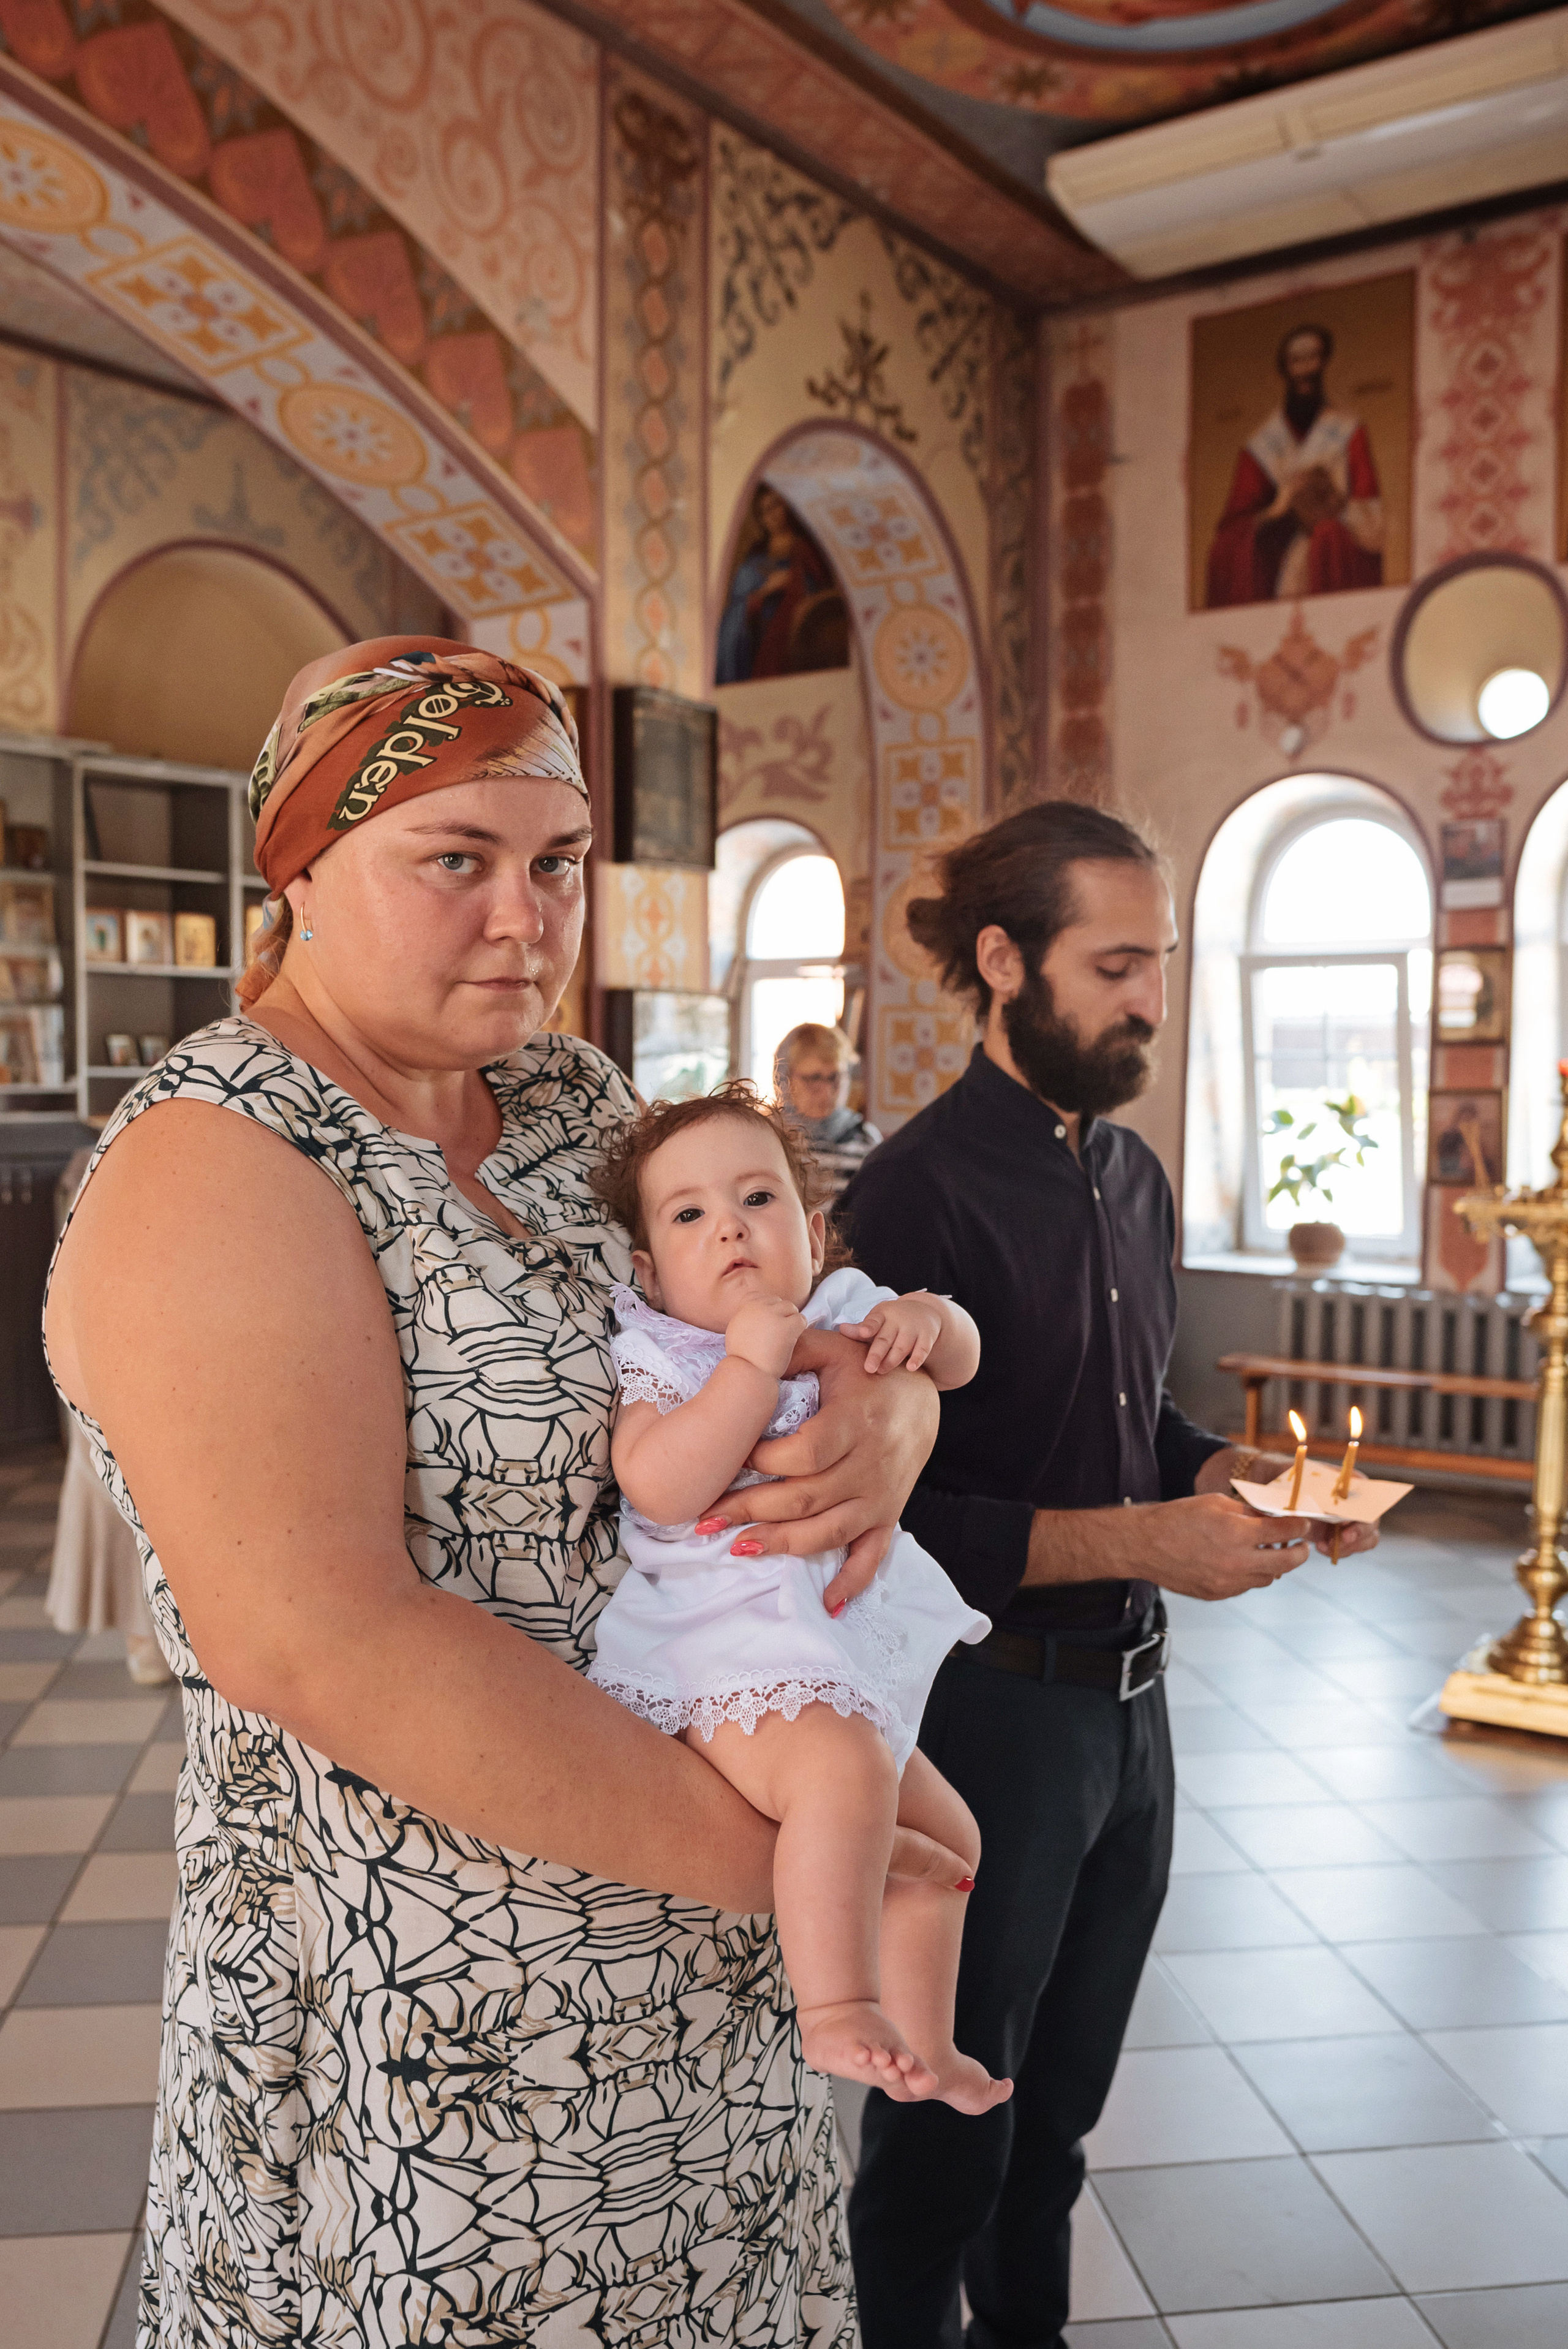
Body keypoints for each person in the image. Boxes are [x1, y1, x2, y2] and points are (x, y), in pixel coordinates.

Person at [43, 635, 966, 2348]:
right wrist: (793, 1859)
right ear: (299, 869)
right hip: (428, 2030)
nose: (527, 919)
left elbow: (762, 1314)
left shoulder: (569, 1103)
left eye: (557, 864)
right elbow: (324, 1641)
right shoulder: (220, 1164)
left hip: (702, 2015)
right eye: (453, 861)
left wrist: (883, 1432)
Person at [827, 800, 1381, 2349]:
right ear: (1001, 961)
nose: (1149, 997)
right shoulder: (909, 1197)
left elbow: (1128, 1413)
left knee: (1058, 2115)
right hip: (985, 1716)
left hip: (1132, 1723)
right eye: (1116, 962)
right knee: (948, 2131)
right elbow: (877, 1516)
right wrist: (1143, 1541)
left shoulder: (1125, 1172)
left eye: (1161, 961)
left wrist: (1220, 1474)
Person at [586, 1085, 1001, 2108]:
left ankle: (928, 2041)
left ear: (813, 1234)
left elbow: (962, 1357)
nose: (727, 1223)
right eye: (687, 1214)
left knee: (953, 1845)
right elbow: (659, 1482)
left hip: (824, 1648)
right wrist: (746, 1369)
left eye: (757, 1197)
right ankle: (836, 2005)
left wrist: (930, 1319)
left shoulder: (844, 1304)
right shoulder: (664, 1353)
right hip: (724, 1647)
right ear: (648, 1269)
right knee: (844, 1771)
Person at [1205, 322, 1383, 607]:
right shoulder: (1262, 444)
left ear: (1324, 362)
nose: (1304, 371)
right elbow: (1231, 531)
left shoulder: (1349, 431)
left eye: (1312, 358)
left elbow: (1374, 526)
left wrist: (1334, 509)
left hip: (1330, 554)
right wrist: (1277, 509)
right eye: (1295, 361)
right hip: (1279, 561)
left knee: (1328, 535)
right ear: (1285, 368)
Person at [716, 485, 843, 683]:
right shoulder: (757, 551)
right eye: (765, 512)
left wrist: (791, 578)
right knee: (732, 618)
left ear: (786, 506)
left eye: (776, 506)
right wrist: (759, 596)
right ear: (760, 519)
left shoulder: (804, 546)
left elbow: (821, 583)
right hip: (756, 621)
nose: (772, 516)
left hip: (794, 617)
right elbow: (742, 594)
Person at [775, 1021, 881, 1200]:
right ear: (785, 1079)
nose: (826, 1091)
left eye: (835, 1078)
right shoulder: (770, 1137)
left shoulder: (866, 1138)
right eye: (814, 1078)